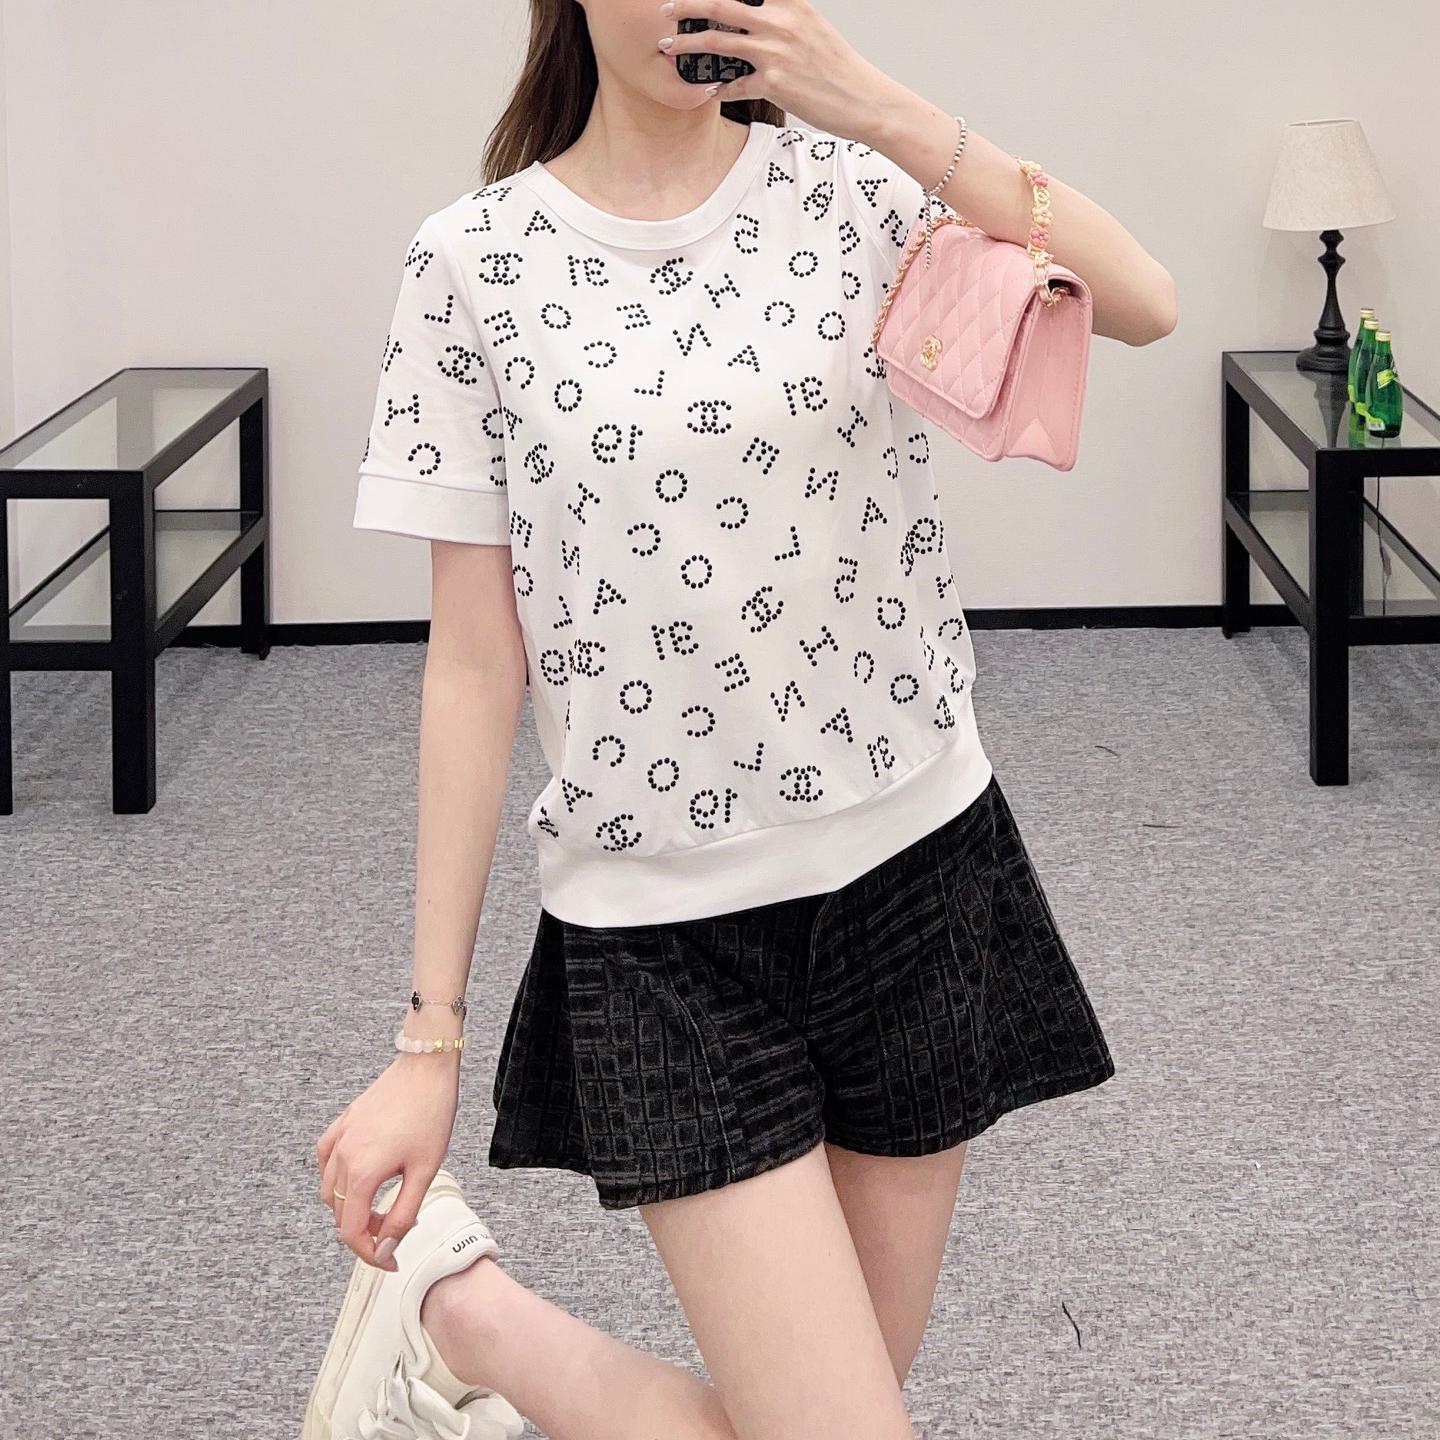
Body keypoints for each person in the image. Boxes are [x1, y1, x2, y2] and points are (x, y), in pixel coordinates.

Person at [309, 2, 1177, 1437]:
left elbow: (1142, 296)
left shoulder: (857, 190)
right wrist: (427, 1041)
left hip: (920, 880)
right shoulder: (473, 263)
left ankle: (456, 1319)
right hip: (664, 937)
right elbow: (471, 662)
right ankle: (466, 1317)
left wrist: (875, 105)